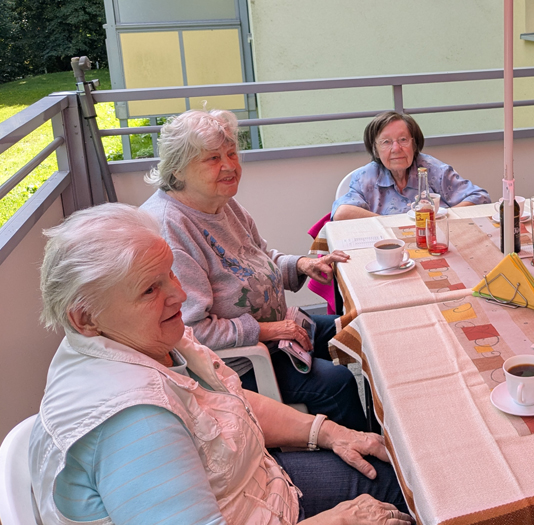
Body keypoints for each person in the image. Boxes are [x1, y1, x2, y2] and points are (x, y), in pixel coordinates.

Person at [30, 203, 410, 524]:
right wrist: (337, 519)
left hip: (258, 486)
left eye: (170, 275)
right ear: (84, 317)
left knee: (397, 473)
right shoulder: (134, 423)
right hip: (258, 506)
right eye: (150, 289)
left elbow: (231, 400)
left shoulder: (146, 338)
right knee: (406, 492)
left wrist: (328, 432)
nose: (179, 294)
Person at [140, 109, 366, 431]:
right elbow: (188, 330)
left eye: (231, 153)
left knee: (361, 327)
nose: (230, 166)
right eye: (213, 158)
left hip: (277, 331)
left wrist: (302, 265)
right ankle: (366, 464)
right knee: (337, 382)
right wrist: (269, 331)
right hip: (237, 363)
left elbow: (260, 257)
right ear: (179, 168)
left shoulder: (222, 202)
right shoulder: (171, 228)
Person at [331, 111, 491, 220]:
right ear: (375, 149)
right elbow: (342, 213)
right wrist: (394, 224)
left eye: (403, 140)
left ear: (414, 144)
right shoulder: (365, 177)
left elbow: (480, 198)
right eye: (386, 142)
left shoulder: (434, 170)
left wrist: (440, 218)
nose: (396, 149)